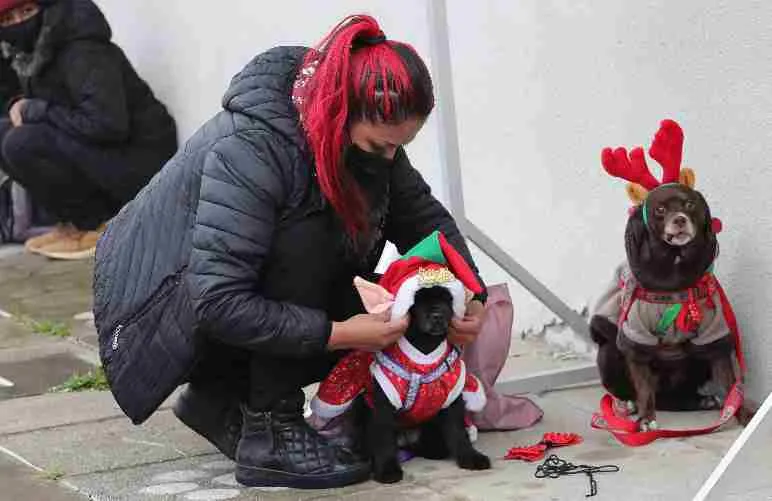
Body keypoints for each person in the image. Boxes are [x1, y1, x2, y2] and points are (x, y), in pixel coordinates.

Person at [93, 15, 488, 489]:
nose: (389, 159)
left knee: (387, 292)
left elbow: (424, 217)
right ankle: (270, 431)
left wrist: (472, 295)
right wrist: (341, 333)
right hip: (160, 312)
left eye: (398, 148)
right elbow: (217, 300)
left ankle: (220, 398)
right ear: (342, 111)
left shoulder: (354, 130)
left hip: (221, 302)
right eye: (380, 146)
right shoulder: (255, 149)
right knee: (309, 239)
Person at [0, 0, 177, 259]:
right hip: (105, 156)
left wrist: (36, 111)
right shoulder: (35, 52)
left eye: (26, 12)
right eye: (7, 20)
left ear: (47, 9)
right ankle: (72, 224)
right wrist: (22, 106)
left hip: (143, 163)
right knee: (5, 134)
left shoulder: (82, 51)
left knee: (23, 142)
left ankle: (94, 225)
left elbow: (106, 124)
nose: (18, 24)